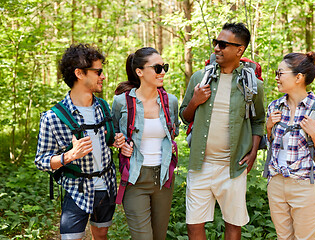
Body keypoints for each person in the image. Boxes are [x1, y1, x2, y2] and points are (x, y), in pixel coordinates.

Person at [179, 23, 265, 239]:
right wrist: (195, 102)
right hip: (200, 164)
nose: (216, 48)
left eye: (223, 44)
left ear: (239, 50)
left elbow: (258, 121)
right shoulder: (200, 78)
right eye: (215, 43)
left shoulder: (253, 85)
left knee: (233, 224)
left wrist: (253, 152)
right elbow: (184, 115)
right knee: (194, 224)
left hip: (233, 166)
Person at [35, 43, 125, 240]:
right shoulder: (53, 117)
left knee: (101, 235)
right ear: (79, 73)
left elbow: (105, 140)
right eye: (98, 71)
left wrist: (115, 140)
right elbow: (41, 160)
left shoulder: (102, 106)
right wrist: (69, 156)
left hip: (106, 186)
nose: (103, 76)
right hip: (76, 190)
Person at [265, 52, 315, 239]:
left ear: (298, 77)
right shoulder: (274, 107)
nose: (276, 77)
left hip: (305, 185)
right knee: (283, 237)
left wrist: (314, 133)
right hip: (276, 183)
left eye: (280, 73)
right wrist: (268, 128)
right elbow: (271, 145)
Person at [112, 47, 179, 240]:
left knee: (159, 237)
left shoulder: (170, 102)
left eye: (164, 67)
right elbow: (114, 132)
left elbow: (173, 132)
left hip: (164, 178)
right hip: (135, 179)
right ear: (139, 72)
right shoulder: (121, 102)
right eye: (157, 68)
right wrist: (119, 142)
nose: (163, 72)